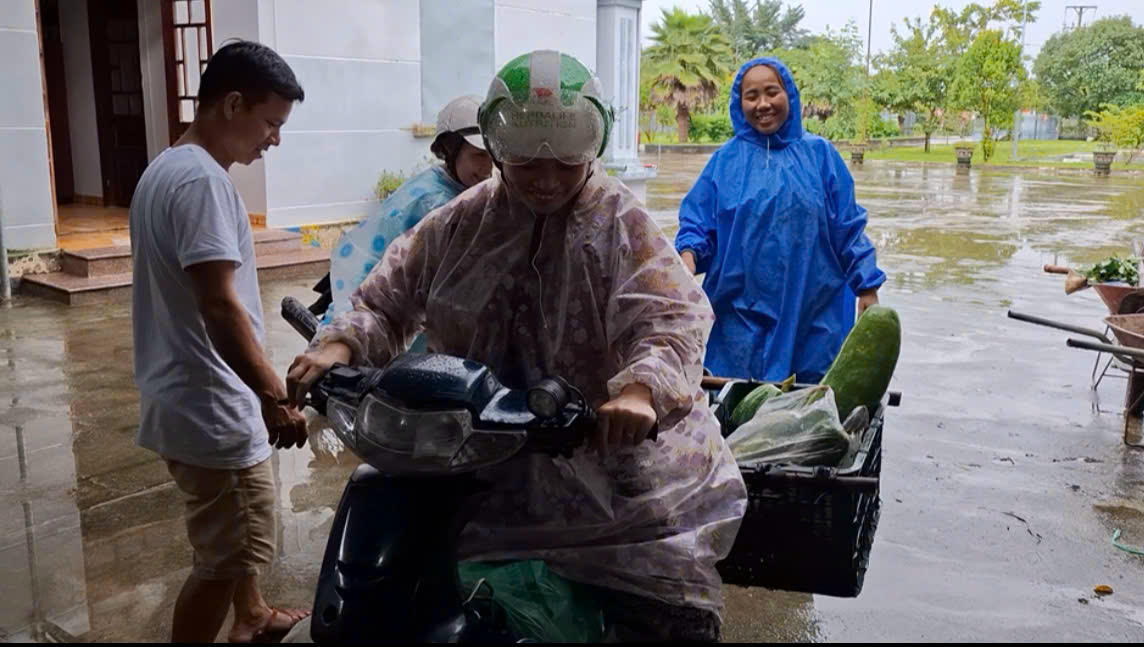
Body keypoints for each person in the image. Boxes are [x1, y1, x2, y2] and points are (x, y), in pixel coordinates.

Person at [287, 50, 747, 642]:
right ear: (496, 146)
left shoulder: (621, 223)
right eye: (527, 161)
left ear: (593, 150)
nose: (547, 179)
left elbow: (670, 319)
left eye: (565, 162)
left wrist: (639, 393)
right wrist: (339, 346)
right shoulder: (459, 220)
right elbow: (385, 296)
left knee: (667, 617)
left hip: (608, 471)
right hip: (479, 460)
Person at [129, 40, 310, 643]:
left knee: (230, 537)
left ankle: (253, 616)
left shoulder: (168, 167)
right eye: (270, 122)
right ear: (233, 104)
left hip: (182, 394)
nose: (274, 140)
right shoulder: (202, 183)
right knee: (225, 556)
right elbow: (219, 304)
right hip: (211, 407)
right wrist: (273, 394)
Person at [675, 57, 886, 384]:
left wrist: (867, 288)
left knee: (805, 411)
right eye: (752, 96)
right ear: (738, 102)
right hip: (740, 320)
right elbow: (698, 224)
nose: (763, 104)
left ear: (789, 93)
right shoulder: (725, 162)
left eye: (771, 92)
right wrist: (687, 259)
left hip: (813, 315)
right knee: (740, 414)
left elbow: (848, 227)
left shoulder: (821, 156)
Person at [321, 94, 494, 353]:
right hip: (376, 307)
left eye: (492, 155)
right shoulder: (437, 203)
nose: (487, 167)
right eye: (478, 155)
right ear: (450, 150)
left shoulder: (446, 183)